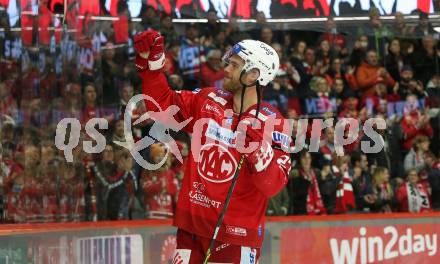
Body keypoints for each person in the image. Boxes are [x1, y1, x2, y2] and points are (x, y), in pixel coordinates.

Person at [134, 30, 291, 263]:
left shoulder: (273, 122)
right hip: (191, 231)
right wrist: (152, 64)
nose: (225, 69)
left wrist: (257, 148)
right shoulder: (208, 99)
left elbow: (273, 185)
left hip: (236, 238)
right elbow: (160, 105)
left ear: (253, 75)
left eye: (234, 65)